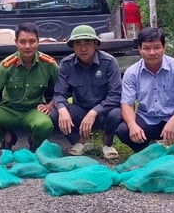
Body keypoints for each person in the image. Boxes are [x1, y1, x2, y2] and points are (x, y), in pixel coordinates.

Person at [115, 26, 174, 156]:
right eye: (147, 48)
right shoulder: (132, 73)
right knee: (123, 129)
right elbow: (127, 104)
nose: (152, 52)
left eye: (157, 47)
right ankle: (149, 153)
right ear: (140, 50)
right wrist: (132, 125)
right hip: (148, 120)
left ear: (164, 48)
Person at [0, 22, 58, 152]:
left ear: (38, 42)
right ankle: (7, 139)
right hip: (9, 110)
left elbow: (63, 90)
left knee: (45, 125)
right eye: (22, 42)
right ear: (16, 42)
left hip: (33, 110)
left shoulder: (48, 64)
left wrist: (50, 105)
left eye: (32, 41)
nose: (27, 46)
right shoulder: (7, 64)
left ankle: (34, 142)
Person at [50, 25, 122, 159]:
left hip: (104, 112)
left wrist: (94, 112)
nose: (83, 48)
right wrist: (62, 109)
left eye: (88, 43)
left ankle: (107, 144)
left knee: (117, 113)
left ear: (95, 44)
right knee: (55, 114)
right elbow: (59, 93)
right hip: (80, 111)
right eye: (78, 44)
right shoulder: (66, 64)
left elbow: (116, 95)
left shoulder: (109, 62)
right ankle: (81, 142)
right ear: (72, 46)